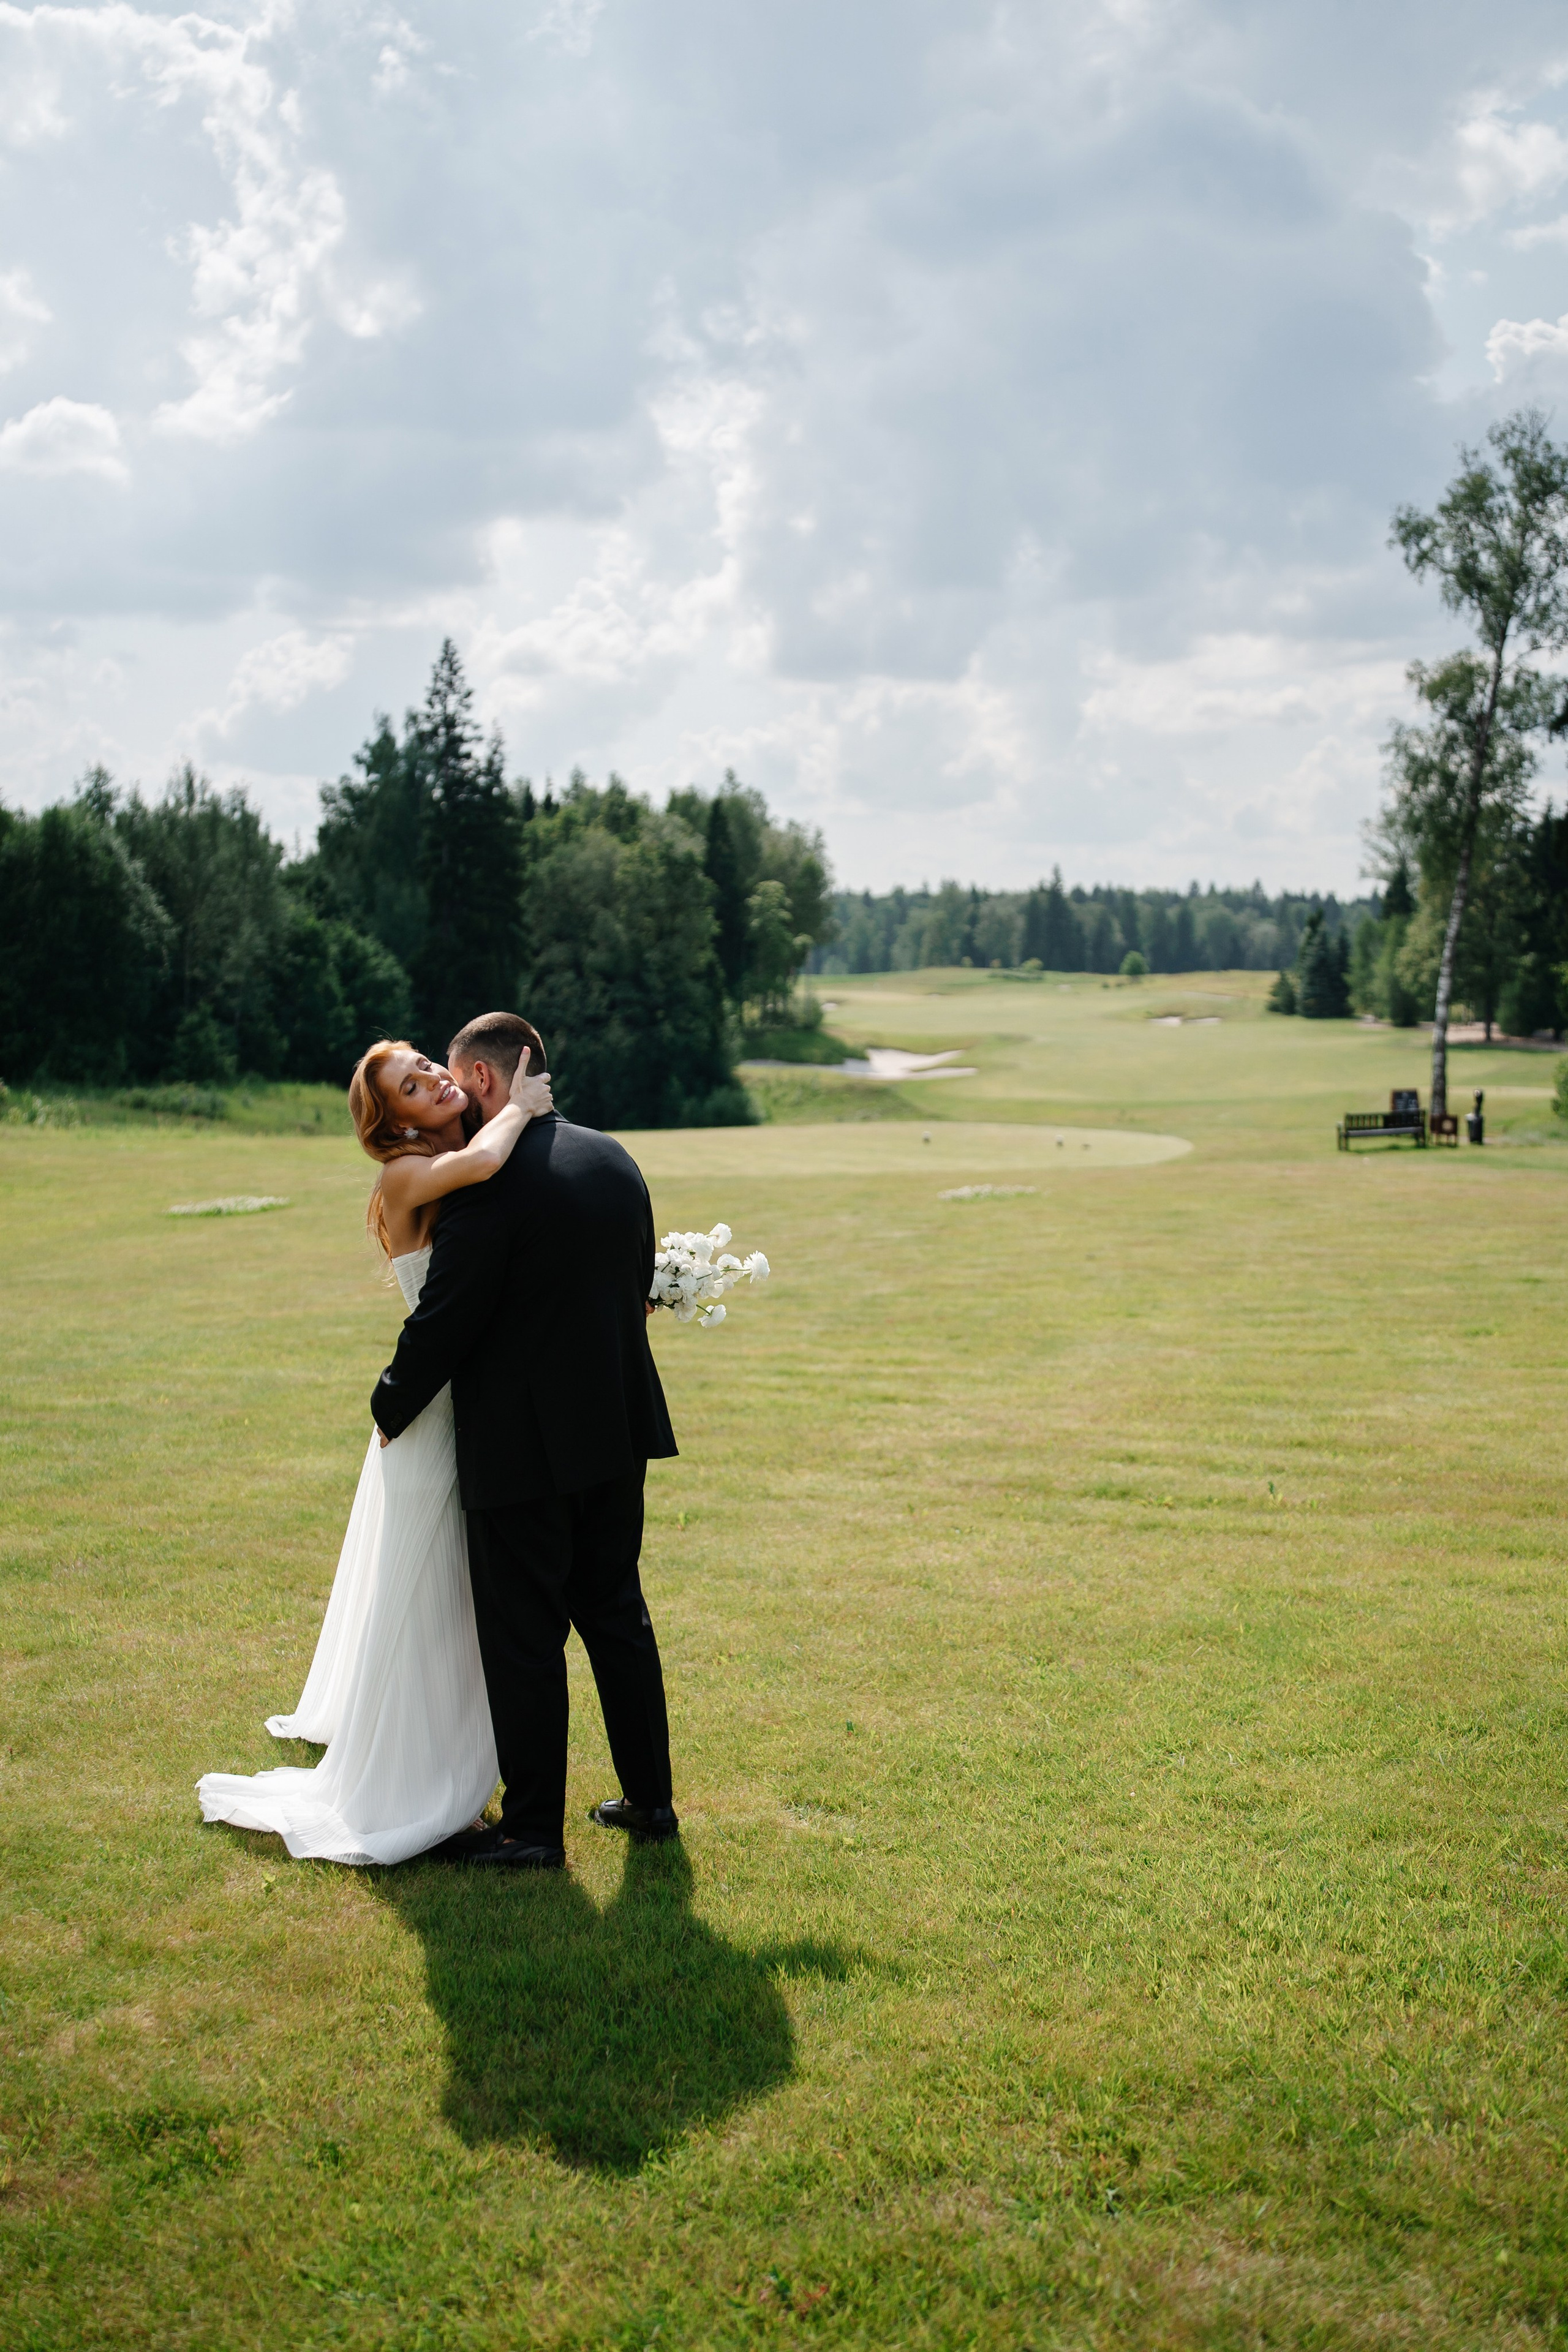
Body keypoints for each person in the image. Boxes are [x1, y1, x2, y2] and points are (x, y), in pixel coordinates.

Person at [195, 1040, 553, 1864]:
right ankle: (414, 1782)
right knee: (431, 1601)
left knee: (459, 1600)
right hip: (430, 1417)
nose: (434, 1079)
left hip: (467, 1410)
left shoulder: (453, 1156)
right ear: (396, 1124)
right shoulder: (407, 1175)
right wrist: (520, 1105)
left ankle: (453, 1765)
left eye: (427, 1064)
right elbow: (487, 1161)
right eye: (413, 1087)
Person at [371, 1009, 680, 1871]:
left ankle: (534, 1829)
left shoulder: (487, 1185)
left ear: (482, 1078)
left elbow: (447, 1318)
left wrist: (391, 1401)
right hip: (616, 1433)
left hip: (522, 1448)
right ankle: (652, 1801)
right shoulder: (615, 1161)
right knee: (616, 1615)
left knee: (525, 1637)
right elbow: (637, 1293)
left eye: (450, 1072)